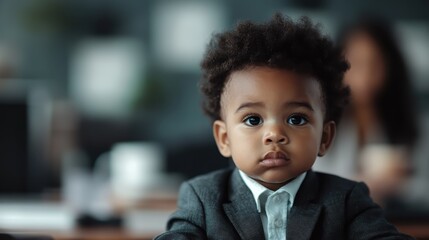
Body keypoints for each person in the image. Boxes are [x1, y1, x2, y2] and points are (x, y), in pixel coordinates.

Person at [155, 14, 413, 239]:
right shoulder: (202, 197)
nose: (275, 135)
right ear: (224, 139)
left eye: (296, 119)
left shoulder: (347, 199)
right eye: (253, 120)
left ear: (325, 137)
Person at [312, 16, 419, 205]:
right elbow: (313, 180)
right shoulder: (320, 119)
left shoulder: (412, 123)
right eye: (356, 64)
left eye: (375, 64)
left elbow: (423, 186)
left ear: (390, 67)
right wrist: (364, 182)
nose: (365, 77)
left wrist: (401, 183)